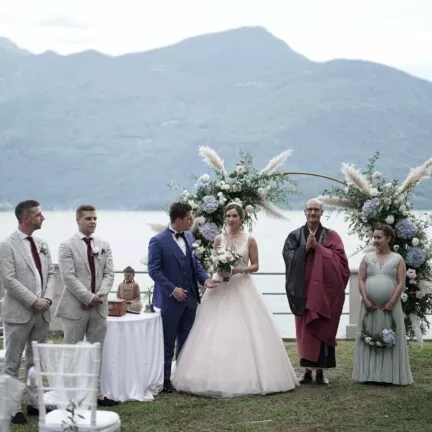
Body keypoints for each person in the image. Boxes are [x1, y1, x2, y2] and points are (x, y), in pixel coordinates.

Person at [172, 202, 299, 397]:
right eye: (228, 216)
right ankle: (210, 375)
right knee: (213, 330)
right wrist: (219, 271)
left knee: (244, 330)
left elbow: (255, 265)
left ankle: (246, 376)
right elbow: (214, 263)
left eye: (235, 216)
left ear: (241, 218)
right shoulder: (218, 239)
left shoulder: (250, 239)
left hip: (241, 286)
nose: (231, 219)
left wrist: (238, 269)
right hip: (220, 286)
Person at [148, 202, 219, 393]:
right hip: (170, 301)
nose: (192, 221)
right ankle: (164, 381)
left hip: (190, 300)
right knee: (168, 341)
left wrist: (205, 281)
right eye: (189, 218)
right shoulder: (158, 241)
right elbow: (153, 271)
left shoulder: (189, 236)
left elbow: (195, 264)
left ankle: (182, 377)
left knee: (187, 340)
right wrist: (172, 290)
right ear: (179, 220)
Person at [282, 198, 350, 385]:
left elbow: (341, 263)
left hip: (323, 293)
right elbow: (288, 257)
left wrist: (318, 248)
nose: (312, 213)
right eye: (309, 209)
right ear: (304, 212)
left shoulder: (331, 235)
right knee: (304, 331)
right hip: (302, 290)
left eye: (316, 210)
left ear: (322, 213)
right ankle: (306, 371)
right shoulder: (295, 236)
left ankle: (320, 371)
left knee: (322, 327)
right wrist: (304, 249)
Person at [55, 204, 117, 406]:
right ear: (78, 220)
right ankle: (69, 395)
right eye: (88, 218)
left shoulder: (104, 244)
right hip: (75, 308)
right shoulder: (66, 246)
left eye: (95, 218)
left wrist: (101, 294)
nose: (93, 222)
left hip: (99, 307)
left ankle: (95, 394)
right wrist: (87, 297)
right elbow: (68, 277)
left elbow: (109, 273)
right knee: (71, 352)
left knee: (95, 352)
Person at [0, 200, 55, 424]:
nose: (43, 218)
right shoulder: (7, 245)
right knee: (12, 362)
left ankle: (34, 403)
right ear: (26, 218)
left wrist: (48, 298)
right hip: (19, 313)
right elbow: (9, 280)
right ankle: (13, 409)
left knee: (36, 361)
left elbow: (51, 272)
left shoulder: (42, 243)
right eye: (38, 215)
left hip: (42, 314)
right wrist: (34, 301)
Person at [353, 223, 413, 385]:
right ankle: (368, 374)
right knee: (368, 335)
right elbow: (361, 279)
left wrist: (392, 302)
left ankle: (390, 376)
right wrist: (365, 299)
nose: (375, 240)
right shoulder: (367, 258)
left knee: (391, 337)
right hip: (369, 307)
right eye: (374, 237)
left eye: (379, 237)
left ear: (388, 238)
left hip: (390, 307)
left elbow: (401, 282)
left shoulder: (398, 259)